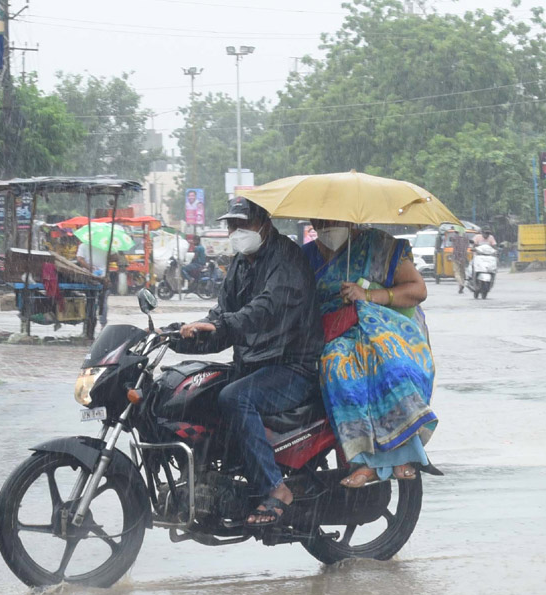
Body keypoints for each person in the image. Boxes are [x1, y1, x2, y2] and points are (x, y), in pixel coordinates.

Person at [175, 198, 324, 526]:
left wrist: (222, 325)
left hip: (292, 366)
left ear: (264, 223)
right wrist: (185, 335)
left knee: (235, 397)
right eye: (231, 225)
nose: (236, 232)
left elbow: (266, 309)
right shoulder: (241, 264)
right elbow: (222, 315)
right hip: (255, 364)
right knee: (197, 392)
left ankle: (276, 487)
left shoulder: (287, 259)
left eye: (243, 224)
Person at [302, 218, 436, 489]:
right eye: (321, 221)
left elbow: (417, 289)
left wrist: (367, 294)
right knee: (338, 367)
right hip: (334, 332)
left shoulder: (378, 246)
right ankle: (366, 460)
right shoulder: (305, 257)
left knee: (392, 366)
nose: (327, 226)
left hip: (384, 324)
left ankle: (403, 454)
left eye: (334, 220)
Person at [448, 227, 472, 293]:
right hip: (463, 256)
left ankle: (461, 284)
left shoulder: (454, 236)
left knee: (456, 272)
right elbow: (468, 245)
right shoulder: (466, 237)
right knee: (462, 272)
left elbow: (450, 239)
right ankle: (461, 285)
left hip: (456, 256)